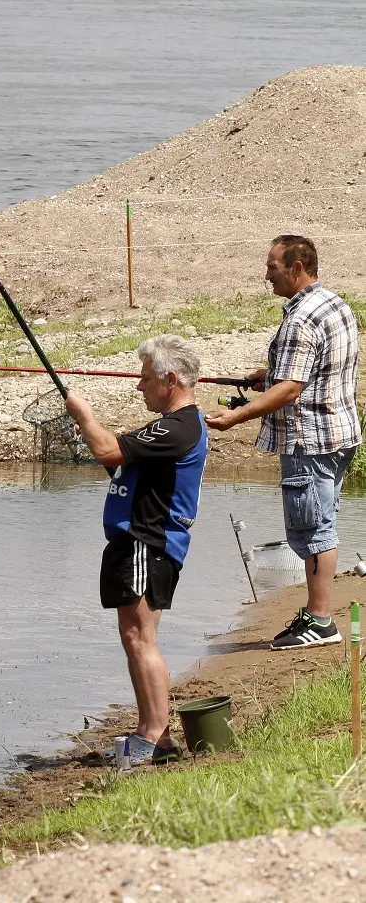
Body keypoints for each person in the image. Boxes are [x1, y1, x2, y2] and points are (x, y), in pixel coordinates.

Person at [205, 235, 360, 650]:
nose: (266, 274)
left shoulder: (299, 320)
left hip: (308, 440)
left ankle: (321, 622)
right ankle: (316, 614)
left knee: (313, 531)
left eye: (272, 266)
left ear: (296, 268)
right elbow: (312, 367)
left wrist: (237, 415)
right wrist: (266, 375)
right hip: (339, 435)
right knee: (320, 523)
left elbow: (291, 388)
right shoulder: (333, 303)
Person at [66, 335, 208, 767]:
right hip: (136, 541)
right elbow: (119, 460)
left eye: (145, 378)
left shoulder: (179, 426)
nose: (138, 386)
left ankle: (156, 736)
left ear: (170, 379)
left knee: (140, 636)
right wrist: (92, 433)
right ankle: (150, 730)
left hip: (151, 542)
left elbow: (110, 448)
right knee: (132, 636)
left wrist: (85, 415)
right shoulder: (169, 426)